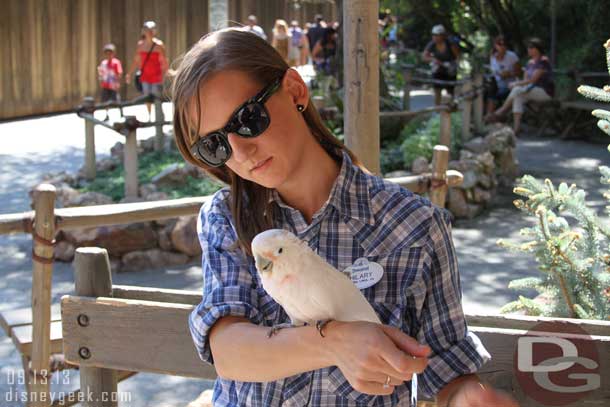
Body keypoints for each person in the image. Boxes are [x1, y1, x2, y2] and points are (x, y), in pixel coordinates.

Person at [171, 28, 518, 407]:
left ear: (294, 90)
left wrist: (468, 397)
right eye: (215, 143)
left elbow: (447, 372)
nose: (240, 152)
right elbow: (229, 350)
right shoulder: (228, 218)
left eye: (248, 119)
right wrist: (335, 341)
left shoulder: (416, 226)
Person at [486, 37, 554, 136]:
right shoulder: (529, 63)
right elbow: (525, 80)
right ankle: (516, 128)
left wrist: (515, 84)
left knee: (517, 89)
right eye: (528, 47)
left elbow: (533, 80)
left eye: (531, 47)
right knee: (518, 96)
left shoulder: (543, 61)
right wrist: (518, 84)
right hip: (530, 90)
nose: (528, 50)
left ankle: (501, 111)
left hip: (544, 91)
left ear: (536, 49)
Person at [126, 21, 168, 120]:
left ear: (154, 31)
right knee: (146, 96)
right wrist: (129, 73)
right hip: (145, 75)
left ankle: (159, 117)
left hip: (156, 75)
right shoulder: (140, 45)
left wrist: (166, 72)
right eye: (146, 30)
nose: (148, 32)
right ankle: (150, 116)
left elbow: (163, 60)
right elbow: (136, 60)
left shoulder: (159, 45)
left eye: (150, 30)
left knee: (156, 96)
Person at [422, 24, 460, 106]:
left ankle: (450, 108)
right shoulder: (432, 44)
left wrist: (452, 65)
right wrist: (433, 60)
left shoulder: (450, 44)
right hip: (438, 69)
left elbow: (457, 56)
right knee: (437, 90)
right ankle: (437, 110)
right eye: (433, 35)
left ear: (442, 35)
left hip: (450, 69)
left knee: (450, 91)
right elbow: (424, 56)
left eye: (437, 35)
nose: (435, 37)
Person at [486, 35, 521, 115]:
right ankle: (489, 114)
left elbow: (519, 72)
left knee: (494, 92)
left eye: (504, 44)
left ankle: (493, 115)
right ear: (495, 45)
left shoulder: (512, 56)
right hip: (496, 84)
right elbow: (493, 72)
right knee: (488, 89)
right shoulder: (492, 57)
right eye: (499, 44)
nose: (502, 47)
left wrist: (509, 74)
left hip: (510, 85)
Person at [97, 43, 123, 121]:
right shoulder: (103, 63)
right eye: (107, 53)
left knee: (116, 100)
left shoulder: (116, 63)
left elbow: (119, 73)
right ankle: (107, 114)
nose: (108, 55)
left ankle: (121, 112)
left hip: (113, 85)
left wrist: (117, 82)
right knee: (105, 101)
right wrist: (101, 79)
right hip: (105, 85)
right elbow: (101, 73)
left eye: (110, 53)